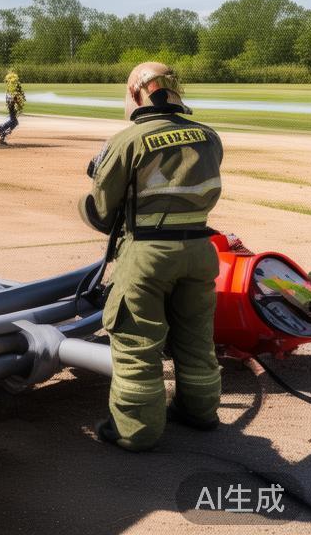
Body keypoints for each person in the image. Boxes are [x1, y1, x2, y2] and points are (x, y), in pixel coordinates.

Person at [79, 61, 224, 452]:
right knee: (196, 338)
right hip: (199, 250)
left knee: (136, 342)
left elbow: (102, 213)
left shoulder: (129, 140)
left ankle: (136, 429)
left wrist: (86, 198)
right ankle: (200, 411)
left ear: (136, 92)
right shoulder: (209, 137)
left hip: (148, 254)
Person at [0, 69, 25, 145]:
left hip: (10, 105)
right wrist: (19, 104)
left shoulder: (10, 89)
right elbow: (14, 98)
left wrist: (18, 102)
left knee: (14, 122)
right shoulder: (13, 89)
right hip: (12, 106)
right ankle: (0, 129)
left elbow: (11, 98)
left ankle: (2, 136)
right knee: (14, 122)